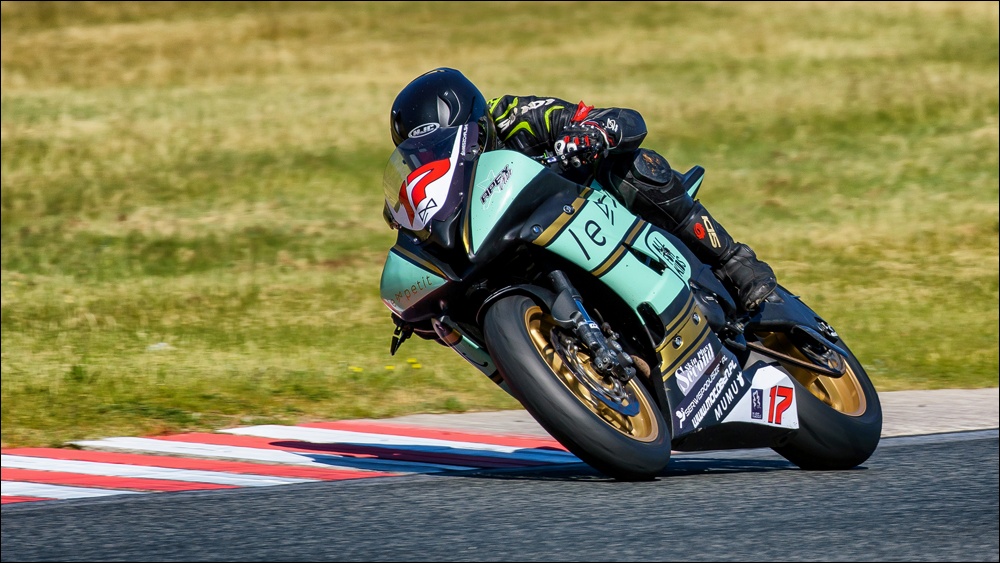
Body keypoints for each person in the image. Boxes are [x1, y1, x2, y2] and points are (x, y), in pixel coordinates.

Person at [387, 67, 776, 315]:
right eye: (426, 153)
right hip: (512, 250)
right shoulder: (425, 192)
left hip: (592, 212)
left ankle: (735, 262)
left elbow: (619, 119)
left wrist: (591, 133)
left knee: (633, 166)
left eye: (448, 143)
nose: (439, 157)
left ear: (479, 122)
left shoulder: (515, 116)